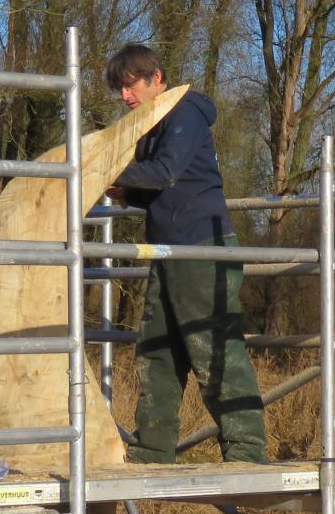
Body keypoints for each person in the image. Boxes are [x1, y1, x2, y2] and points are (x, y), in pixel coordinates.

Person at [104, 44, 267, 464]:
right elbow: (167, 189)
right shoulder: (152, 124)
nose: (124, 97)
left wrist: (101, 167)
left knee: (213, 348)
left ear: (156, 78)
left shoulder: (184, 111)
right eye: (119, 90)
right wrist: (129, 192)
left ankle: (246, 452)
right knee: (158, 352)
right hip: (168, 250)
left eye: (129, 85)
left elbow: (166, 172)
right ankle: (152, 450)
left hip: (201, 249)